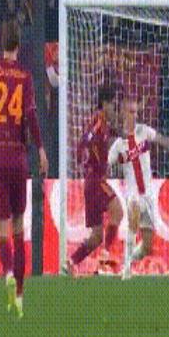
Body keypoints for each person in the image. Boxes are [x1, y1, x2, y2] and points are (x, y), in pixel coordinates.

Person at [0, 20, 49, 318]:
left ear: (1, 43)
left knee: (2, 229)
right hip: (19, 161)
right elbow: (31, 116)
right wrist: (40, 149)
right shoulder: (26, 76)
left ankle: (6, 271)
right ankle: (19, 295)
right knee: (20, 229)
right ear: (19, 44)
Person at [108, 98, 169, 280]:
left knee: (147, 248)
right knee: (133, 221)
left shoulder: (144, 131)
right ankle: (126, 271)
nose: (135, 116)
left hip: (148, 194)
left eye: (136, 112)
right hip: (132, 192)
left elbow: (162, 140)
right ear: (123, 113)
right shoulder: (119, 143)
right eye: (131, 112)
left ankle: (126, 261)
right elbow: (109, 162)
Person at [65, 86, 123, 275]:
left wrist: (119, 134)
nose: (114, 108)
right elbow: (86, 141)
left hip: (91, 182)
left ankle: (71, 262)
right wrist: (94, 162)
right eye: (112, 104)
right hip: (96, 179)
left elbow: (93, 139)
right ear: (104, 104)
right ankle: (104, 261)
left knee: (97, 236)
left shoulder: (102, 123)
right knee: (118, 211)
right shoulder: (98, 122)